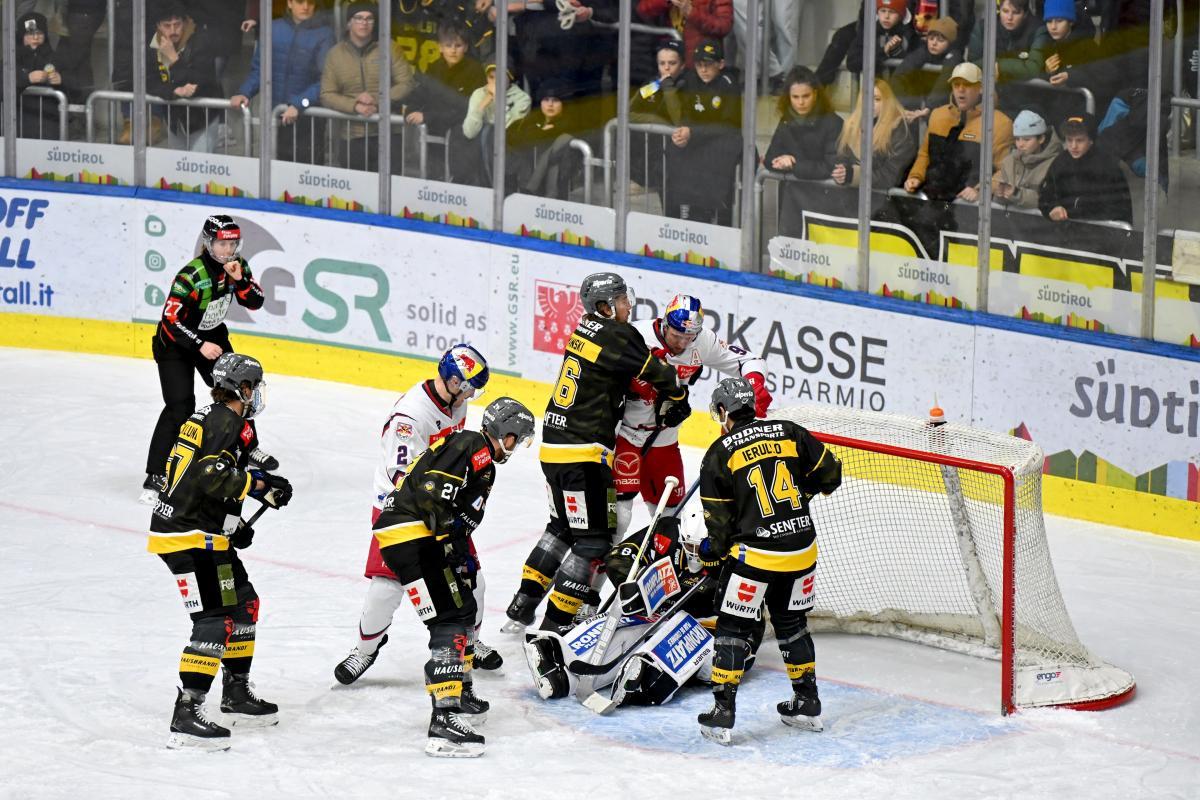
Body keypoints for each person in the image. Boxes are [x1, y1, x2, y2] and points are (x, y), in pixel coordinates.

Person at [502, 294, 770, 629]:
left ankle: (672, 595)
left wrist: (754, 386)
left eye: (688, 336)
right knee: (616, 522)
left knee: (674, 522)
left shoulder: (702, 341)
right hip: (625, 439)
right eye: (676, 334)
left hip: (665, 442)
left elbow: (750, 361)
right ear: (664, 323)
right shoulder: (637, 334)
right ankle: (588, 599)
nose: (681, 342)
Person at [515, 272, 685, 636]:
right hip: (584, 453)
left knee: (561, 527)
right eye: (622, 300)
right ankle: (552, 628)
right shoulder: (618, 334)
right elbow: (662, 375)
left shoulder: (584, 328)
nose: (629, 305)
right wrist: (679, 396)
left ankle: (523, 603)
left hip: (554, 445)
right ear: (606, 307)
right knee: (594, 540)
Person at [373, 396, 536, 757]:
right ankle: (443, 720)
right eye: (517, 437)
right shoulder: (472, 445)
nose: (515, 446)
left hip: (417, 535)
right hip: (412, 535)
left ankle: (458, 692)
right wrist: (448, 539)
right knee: (448, 619)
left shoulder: (479, 457)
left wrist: (458, 551)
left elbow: (455, 514)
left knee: (464, 611)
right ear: (506, 432)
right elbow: (432, 496)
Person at [333, 344, 504, 685]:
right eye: (469, 386)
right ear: (453, 382)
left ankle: (470, 642)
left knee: (472, 578)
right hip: (400, 509)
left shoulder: (457, 402)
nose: (472, 394)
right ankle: (365, 650)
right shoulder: (409, 418)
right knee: (386, 586)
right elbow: (400, 475)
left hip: (439, 504)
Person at [149, 352, 294, 751]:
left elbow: (206, 478)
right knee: (214, 620)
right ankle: (187, 712)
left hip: (202, 530)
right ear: (242, 388)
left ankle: (236, 691)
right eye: (254, 386)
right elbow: (212, 475)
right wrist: (260, 485)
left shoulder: (212, 418)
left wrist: (234, 522)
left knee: (244, 604)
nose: (258, 393)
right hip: (187, 536)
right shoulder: (226, 421)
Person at [695, 377, 842, 744]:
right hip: (802, 550)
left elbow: (720, 528)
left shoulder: (719, 452)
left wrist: (711, 552)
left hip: (755, 556)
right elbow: (831, 475)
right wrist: (800, 494)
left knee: (732, 628)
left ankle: (722, 712)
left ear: (724, 411)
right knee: (792, 623)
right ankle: (807, 701)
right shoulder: (790, 432)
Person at [142, 216, 269, 505]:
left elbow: (256, 301)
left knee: (239, 390)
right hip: (176, 344)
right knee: (180, 406)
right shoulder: (191, 275)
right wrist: (199, 344)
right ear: (208, 244)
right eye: (222, 244)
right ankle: (155, 475)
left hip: (213, 337)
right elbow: (170, 320)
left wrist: (240, 280)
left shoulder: (237, 266)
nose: (228, 250)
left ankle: (248, 448)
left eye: (232, 244)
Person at [231, 0, 335, 165]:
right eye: (300, 1)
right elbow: (260, 70)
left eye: (310, 2)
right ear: (290, 3)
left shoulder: (324, 34)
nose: (305, 7)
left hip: (309, 119)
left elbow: (326, 80)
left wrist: (300, 104)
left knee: (307, 172)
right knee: (277, 170)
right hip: (276, 117)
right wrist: (244, 92)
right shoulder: (273, 29)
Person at [318, 1, 416, 171]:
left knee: (390, 184)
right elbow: (327, 94)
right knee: (355, 186)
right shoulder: (335, 54)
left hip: (388, 133)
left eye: (369, 18)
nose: (364, 23)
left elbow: (407, 83)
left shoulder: (390, 48)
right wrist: (355, 105)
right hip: (352, 135)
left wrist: (377, 100)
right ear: (349, 23)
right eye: (359, 18)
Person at [903, 62, 1014, 203]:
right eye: (956, 84)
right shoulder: (938, 115)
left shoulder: (1000, 123)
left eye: (967, 84)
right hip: (931, 201)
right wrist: (915, 177)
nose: (961, 90)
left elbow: (1005, 170)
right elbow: (925, 154)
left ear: (981, 88)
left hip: (968, 208)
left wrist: (980, 190)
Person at [664, 39, 742, 225]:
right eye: (699, 65)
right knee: (672, 152)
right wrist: (682, 133)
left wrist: (692, 132)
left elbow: (727, 125)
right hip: (697, 142)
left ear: (721, 64)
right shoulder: (689, 80)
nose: (703, 70)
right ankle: (676, 218)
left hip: (722, 145)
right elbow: (684, 112)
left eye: (708, 65)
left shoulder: (728, 84)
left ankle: (720, 221)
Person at [402, 19, 486, 180]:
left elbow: (467, 109)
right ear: (440, 47)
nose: (453, 50)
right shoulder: (434, 67)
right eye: (448, 45)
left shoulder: (475, 71)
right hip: (434, 139)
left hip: (462, 142)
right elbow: (420, 94)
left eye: (458, 45)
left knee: (458, 182)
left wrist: (427, 116)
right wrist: (411, 110)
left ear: (466, 47)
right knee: (432, 178)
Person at [145, 1, 223, 153]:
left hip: (203, 119)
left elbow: (200, 81)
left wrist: (174, 59)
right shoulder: (154, 44)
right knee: (176, 167)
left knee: (199, 166)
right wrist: (174, 92)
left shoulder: (201, 41)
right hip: (175, 121)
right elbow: (150, 82)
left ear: (185, 22)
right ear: (158, 26)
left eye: (177, 24)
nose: (173, 31)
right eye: (167, 26)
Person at [1038, 112, 1133, 225]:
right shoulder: (1060, 162)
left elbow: (1120, 208)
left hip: (1100, 230)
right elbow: (1045, 196)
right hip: (1064, 228)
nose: (1073, 146)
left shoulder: (1107, 166)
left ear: (1091, 140)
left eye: (1079, 140)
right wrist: (1053, 208)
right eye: (1069, 140)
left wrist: (1078, 214)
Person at [764, 66, 844, 189]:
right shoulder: (786, 120)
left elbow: (832, 167)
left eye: (806, 96)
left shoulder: (833, 123)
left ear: (815, 94)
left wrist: (794, 165)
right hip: (792, 194)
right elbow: (770, 159)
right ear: (788, 97)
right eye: (795, 97)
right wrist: (783, 161)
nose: (800, 103)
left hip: (824, 194)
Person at [832, 78, 918, 191]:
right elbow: (841, 158)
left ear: (887, 102)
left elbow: (891, 176)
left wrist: (853, 175)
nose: (870, 104)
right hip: (854, 194)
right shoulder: (851, 125)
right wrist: (841, 172)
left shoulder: (899, 131)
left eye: (877, 99)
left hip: (884, 197)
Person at [966, 0, 1049, 116]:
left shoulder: (1038, 29)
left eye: (1016, 13)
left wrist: (999, 66)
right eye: (1005, 11)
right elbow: (972, 64)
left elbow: (1033, 68)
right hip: (990, 97)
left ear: (1025, 13)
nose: (1009, 17)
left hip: (1027, 102)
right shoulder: (984, 26)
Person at [458, 61, 532, 187]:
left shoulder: (522, 99)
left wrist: (498, 98)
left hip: (509, 150)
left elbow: (507, 128)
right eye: (491, 77)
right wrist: (482, 105)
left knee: (489, 131)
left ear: (509, 78)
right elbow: (469, 132)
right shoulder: (479, 94)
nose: (495, 82)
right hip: (479, 152)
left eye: (500, 77)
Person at [629, 38, 686, 200]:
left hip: (677, 162)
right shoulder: (653, 83)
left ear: (682, 65)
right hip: (650, 158)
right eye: (662, 63)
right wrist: (656, 120)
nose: (666, 68)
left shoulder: (687, 84)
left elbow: (678, 120)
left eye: (672, 63)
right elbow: (628, 111)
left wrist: (668, 89)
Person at [510, 78, 583, 199]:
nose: (550, 104)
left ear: (563, 103)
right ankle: (538, 191)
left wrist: (540, 131)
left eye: (555, 100)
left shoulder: (570, 123)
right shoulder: (533, 119)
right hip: (527, 174)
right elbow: (515, 136)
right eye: (546, 100)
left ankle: (533, 188)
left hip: (558, 177)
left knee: (564, 139)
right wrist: (539, 130)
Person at [892, 15, 962, 120]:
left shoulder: (954, 56)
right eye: (931, 38)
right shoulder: (923, 51)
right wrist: (902, 105)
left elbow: (944, 81)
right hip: (926, 104)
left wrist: (929, 107)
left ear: (950, 43)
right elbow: (900, 73)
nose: (934, 43)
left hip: (949, 108)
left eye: (940, 40)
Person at [992, 108, 1062, 209]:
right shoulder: (1009, 161)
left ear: (1041, 139)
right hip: (1008, 218)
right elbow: (997, 197)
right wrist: (998, 193)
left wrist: (1016, 193)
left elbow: (1050, 200)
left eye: (1026, 139)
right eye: (1017, 139)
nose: (1020, 144)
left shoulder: (1056, 164)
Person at [636, 0, 733, 70]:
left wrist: (692, 13)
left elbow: (724, 26)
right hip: (668, 63)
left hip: (701, 65)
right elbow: (643, 9)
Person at [15, 12, 64, 140]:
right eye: (30, 34)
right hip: (18, 126)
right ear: (21, 36)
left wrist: (61, 80)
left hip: (48, 126)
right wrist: (27, 78)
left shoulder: (54, 58)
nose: (35, 37)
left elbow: (76, 89)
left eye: (40, 33)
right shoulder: (12, 59)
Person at [846, 0, 917, 74]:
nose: (886, 16)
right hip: (874, 81)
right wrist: (883, 51)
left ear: (901, 16)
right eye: (883, 11)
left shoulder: (910, 35)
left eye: (892, 12)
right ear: (877, 13)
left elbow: (915, 65)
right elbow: (852, 64)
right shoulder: (868, 33)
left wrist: (897, 51)